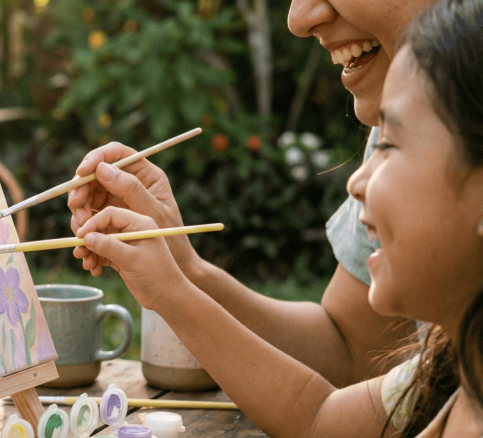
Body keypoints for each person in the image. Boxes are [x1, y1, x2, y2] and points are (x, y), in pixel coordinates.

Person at [74, 1, 483, 438]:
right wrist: (183, 273)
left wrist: (179, 289)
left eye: (389, 144)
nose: (359, 180)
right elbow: (321, 409)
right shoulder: (448, 369)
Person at [67, 0, 441, 388]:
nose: (298, 20)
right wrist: (184, 266)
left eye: (391, 152)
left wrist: (174, 295)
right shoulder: (411, 107)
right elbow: (354, 355)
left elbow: (325, 419)